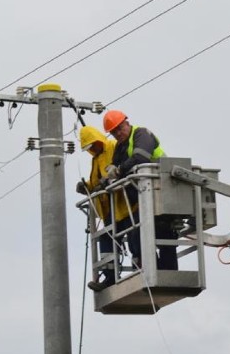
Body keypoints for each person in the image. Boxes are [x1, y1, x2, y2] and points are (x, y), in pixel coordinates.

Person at [102, 110, 179, 271]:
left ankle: (162, 271)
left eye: (119, 128)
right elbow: (116, 168)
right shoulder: (120, 146)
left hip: (162, 191)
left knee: (161, 232)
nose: (118, 133)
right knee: (129, 231)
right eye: (113, 132)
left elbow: (141, 158)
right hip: (144, 197)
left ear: (126, 122)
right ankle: (140, 268)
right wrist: (103, 182)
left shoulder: (142, 134)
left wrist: (119, 170)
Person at [77, 125, 133, 291]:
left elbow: (120, 169)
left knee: (135, 234)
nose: (92, 149)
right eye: (89, 148)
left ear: (98, 140)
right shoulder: (95, 159)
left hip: (125, 204)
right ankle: (109, 276)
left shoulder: (113, 147)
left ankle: (141, 267)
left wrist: (107, 181)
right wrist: (86, 186)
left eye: (93, 145)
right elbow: (96, 182)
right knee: (106, 237)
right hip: (110, 209)